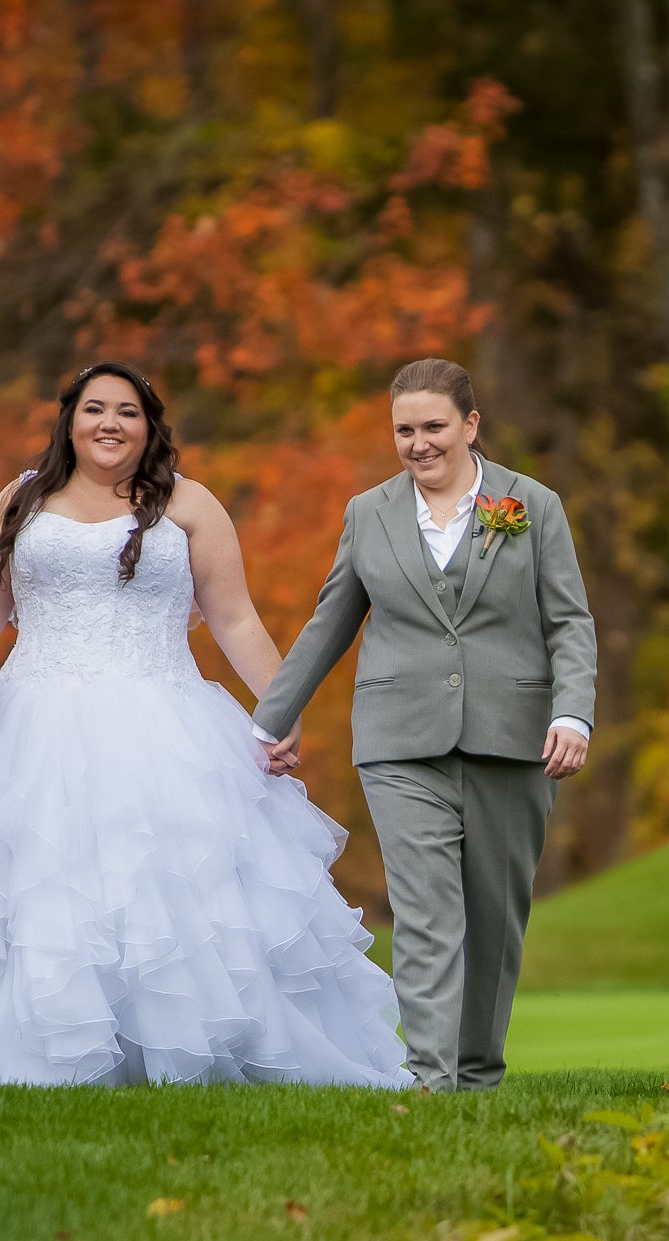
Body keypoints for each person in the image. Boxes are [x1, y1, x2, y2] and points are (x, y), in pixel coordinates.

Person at [0, 361, 410, 1089]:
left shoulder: (190, 505)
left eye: (127, 411)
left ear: (149, 425)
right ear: (69, 419)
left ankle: (190, 1049)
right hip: (29, 731)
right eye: (95, 408)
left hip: (165, 724)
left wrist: (280, 711)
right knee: (32, 890)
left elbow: (234, 619)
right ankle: (37, 1056)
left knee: (174, 891)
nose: (110, 423)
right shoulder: (21, 498)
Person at [250, 358, 597, 1090]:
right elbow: (328, 624)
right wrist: (269, 720)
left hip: (514, 736)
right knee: (426, 909)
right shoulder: (368, 512)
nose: (419, 443)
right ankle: (431, 1077)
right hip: (399, 740)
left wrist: (572, 712)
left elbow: (569, 621)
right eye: (405, 429)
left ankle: (477, 1073)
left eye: (434, 426)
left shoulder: (533, 505)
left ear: (471, 424)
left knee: (495, 920)